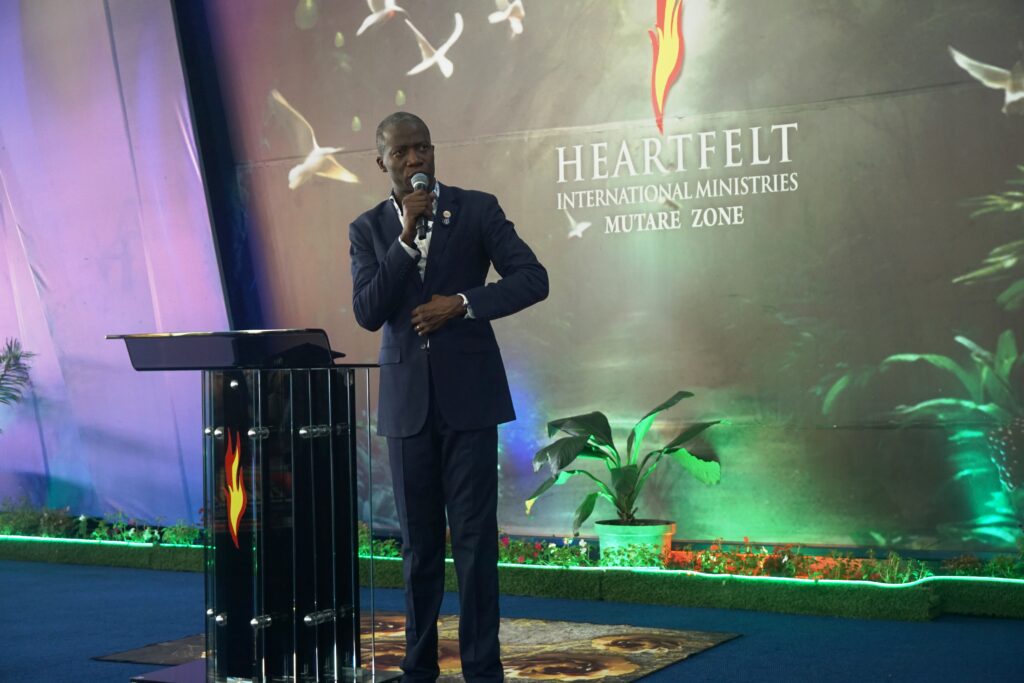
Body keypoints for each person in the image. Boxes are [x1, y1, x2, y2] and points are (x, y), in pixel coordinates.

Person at [349, 112, 548, 682]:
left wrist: (462, 303)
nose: (415, 160)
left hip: (470, 401)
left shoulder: (477, 209)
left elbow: (532, 278)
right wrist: (405, 240)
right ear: (382, 163)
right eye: (402, 153)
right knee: (418, 548)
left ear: (433, 151)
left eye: (422, 148)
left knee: (475, 541)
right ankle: (419, 669)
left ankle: (483, 668)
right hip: (407, 408)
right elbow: (368, 311)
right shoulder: (368, 229)